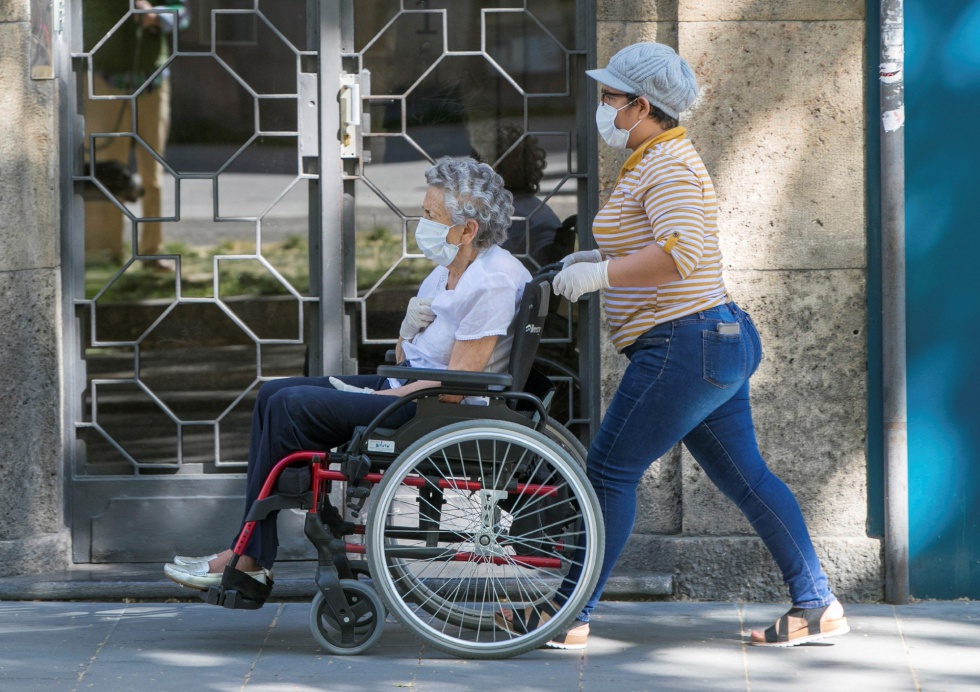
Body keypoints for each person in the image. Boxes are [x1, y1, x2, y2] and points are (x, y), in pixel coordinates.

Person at [516, 42, 850, 649]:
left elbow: (680, 254)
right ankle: (816, 603)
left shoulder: (668, 165)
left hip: (684, 344)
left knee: (610, 473)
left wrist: (601, 276)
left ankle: (569, 612)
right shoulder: (653, 157)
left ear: (642, 105)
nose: (603, 107)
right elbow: (652, 241)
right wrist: (589, 259)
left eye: (611, 98)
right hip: (708, 341)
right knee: (747, 479)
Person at [164, 156, 531, 589]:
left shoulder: (493, 282)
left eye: (431, 216)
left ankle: (250, 557)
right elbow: (406, 354)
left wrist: (384, 400)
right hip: (409, 389)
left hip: (431, 410)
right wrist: (406, 328)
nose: (421, 224)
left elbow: (454, 387)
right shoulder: (447, 271)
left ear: (468, 229)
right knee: (272, 394)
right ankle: (261, 548)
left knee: (290, 408)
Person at [83, 1, 188, 269]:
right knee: (105, 167)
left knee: (152, 171)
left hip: (152, 80)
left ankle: (152, 252)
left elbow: (182, 12)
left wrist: (155, 15)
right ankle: (105, 252)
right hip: (106, 79)